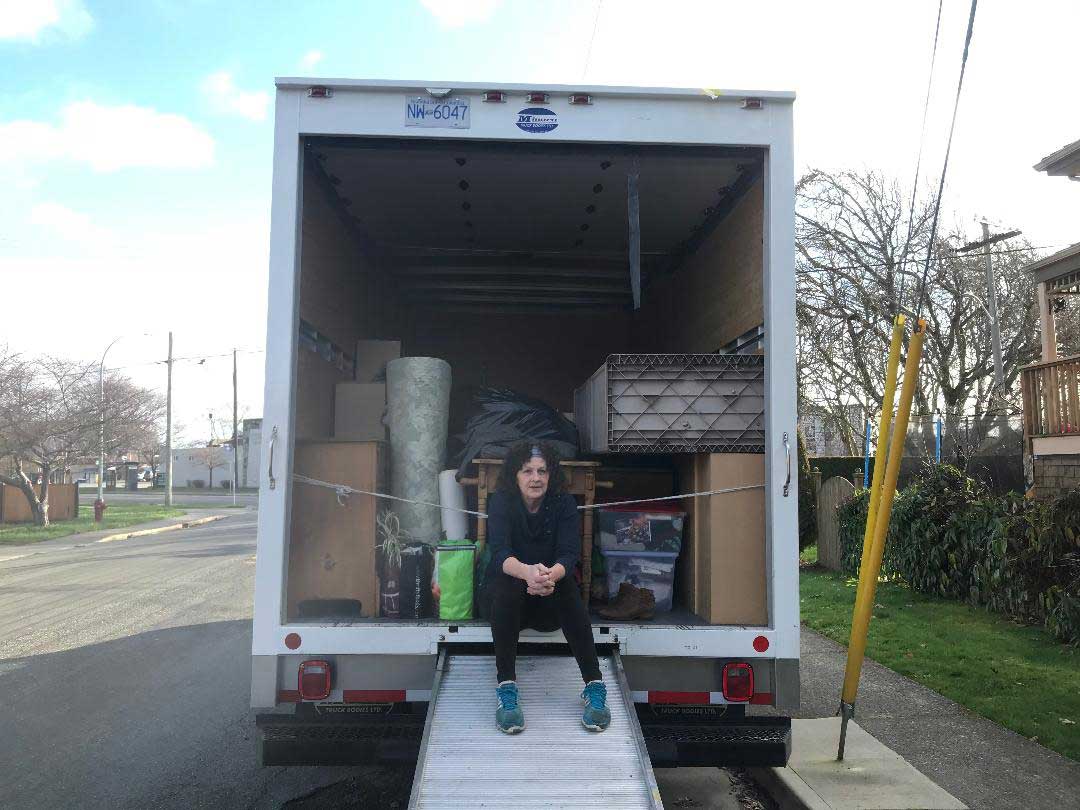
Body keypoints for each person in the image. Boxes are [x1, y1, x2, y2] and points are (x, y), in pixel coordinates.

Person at [484, 440, 610, 734]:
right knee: (507, 583)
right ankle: (507, 689)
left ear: (551, 474)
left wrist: (550, 576)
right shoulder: (501, 501)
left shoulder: (564, 503)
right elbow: (500, 552)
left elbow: (569, 553)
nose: (535, 478)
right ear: (515, 475)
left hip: (548, 597)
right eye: (527, 471)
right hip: (508, 604)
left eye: (542, 471)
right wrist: (527, 573)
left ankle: (594, 687)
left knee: (568, 586)